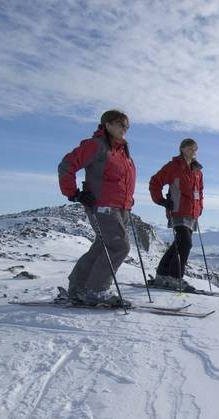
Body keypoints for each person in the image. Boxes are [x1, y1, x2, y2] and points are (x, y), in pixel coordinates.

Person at [58, 109, 136, 305]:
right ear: (107, 124)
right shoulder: (97, 145)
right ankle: (97, 290)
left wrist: (128, 203)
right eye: (120, 124)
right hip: (103, 206)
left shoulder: (121, 150)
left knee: (102, 246)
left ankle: (78, 287)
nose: (124, 128)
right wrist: (74, 193)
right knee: (119, 246)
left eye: (127, 125)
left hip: (120, 208)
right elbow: (67, 165)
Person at [148, 138, 204, 289]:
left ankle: (162, 275)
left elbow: (200, 191)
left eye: (196, 149)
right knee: (185, 242)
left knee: (178, 244)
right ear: (183, 148)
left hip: (192, 213)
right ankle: (174, 278)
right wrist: (160, 200)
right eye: (192, 148)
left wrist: (200, 208)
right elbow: (155, 182)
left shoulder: (197, 170)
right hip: (178, 210)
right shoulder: (173, 166)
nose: (194, 151)